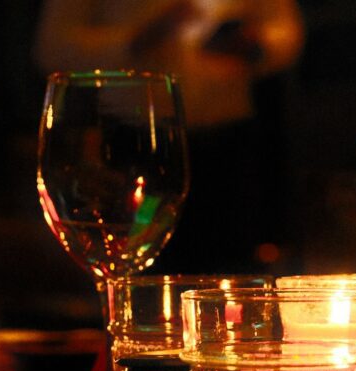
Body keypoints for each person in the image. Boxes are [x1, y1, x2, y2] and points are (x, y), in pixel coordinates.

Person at [34, 0, 305, 274]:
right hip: (137, 144)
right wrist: (138, 39)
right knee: (137, 263)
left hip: (226, 140)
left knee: (232, 266)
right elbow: (53, 47)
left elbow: (285, 31)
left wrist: (256, 44)